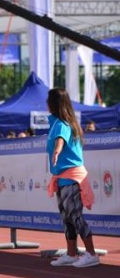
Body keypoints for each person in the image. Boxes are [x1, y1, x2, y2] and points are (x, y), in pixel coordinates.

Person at [46, 88, 100, 268]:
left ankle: (91, 254)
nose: (46, 102)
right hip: (62, 177)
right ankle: (71, 253)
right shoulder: (58, 123)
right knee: (67, 218)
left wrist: (56, 151)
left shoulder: (62, 124)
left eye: (48, 100)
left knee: (75, 216)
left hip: (72, 177)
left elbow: (60, 140)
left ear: (53, 104)